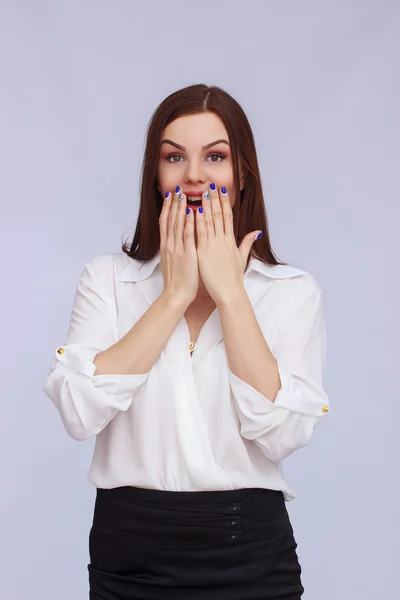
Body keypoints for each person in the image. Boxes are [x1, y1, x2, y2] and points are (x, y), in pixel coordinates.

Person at [43, 83, 330, 600]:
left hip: (249, 550)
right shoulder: (108, 279)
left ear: (243, 175)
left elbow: (281, 433)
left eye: (215, 157)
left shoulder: (291, 292)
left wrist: (230, 294)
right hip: (128, 552)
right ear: (156, 176)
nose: (194, 175)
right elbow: (79, 412)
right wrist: (174, 295)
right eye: (174, 157)